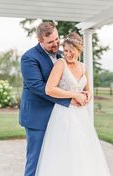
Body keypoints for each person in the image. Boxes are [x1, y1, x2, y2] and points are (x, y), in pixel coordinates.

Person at [35, 32, 111, 176]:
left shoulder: (83, 66)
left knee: (83, 151)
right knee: (65, 150)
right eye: (65, 51)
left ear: (79, 49)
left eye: (71, 51)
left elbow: (88, 90)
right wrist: (75, 95)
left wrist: (87, 96)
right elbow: (49, 89)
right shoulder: (60, 64)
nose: (68, 54)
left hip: (81, 116)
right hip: (63, 114)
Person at [19, 22, 87, 176]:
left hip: (59, 117)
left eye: (57, 39)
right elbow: (39, 88)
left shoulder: (62, 56)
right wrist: (69, 100)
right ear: (40, 41)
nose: (56, 44)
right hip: (37, 117)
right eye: (50, 42)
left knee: (54, 160)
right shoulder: (29, 58)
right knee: (35, 161)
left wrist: (83, 92)